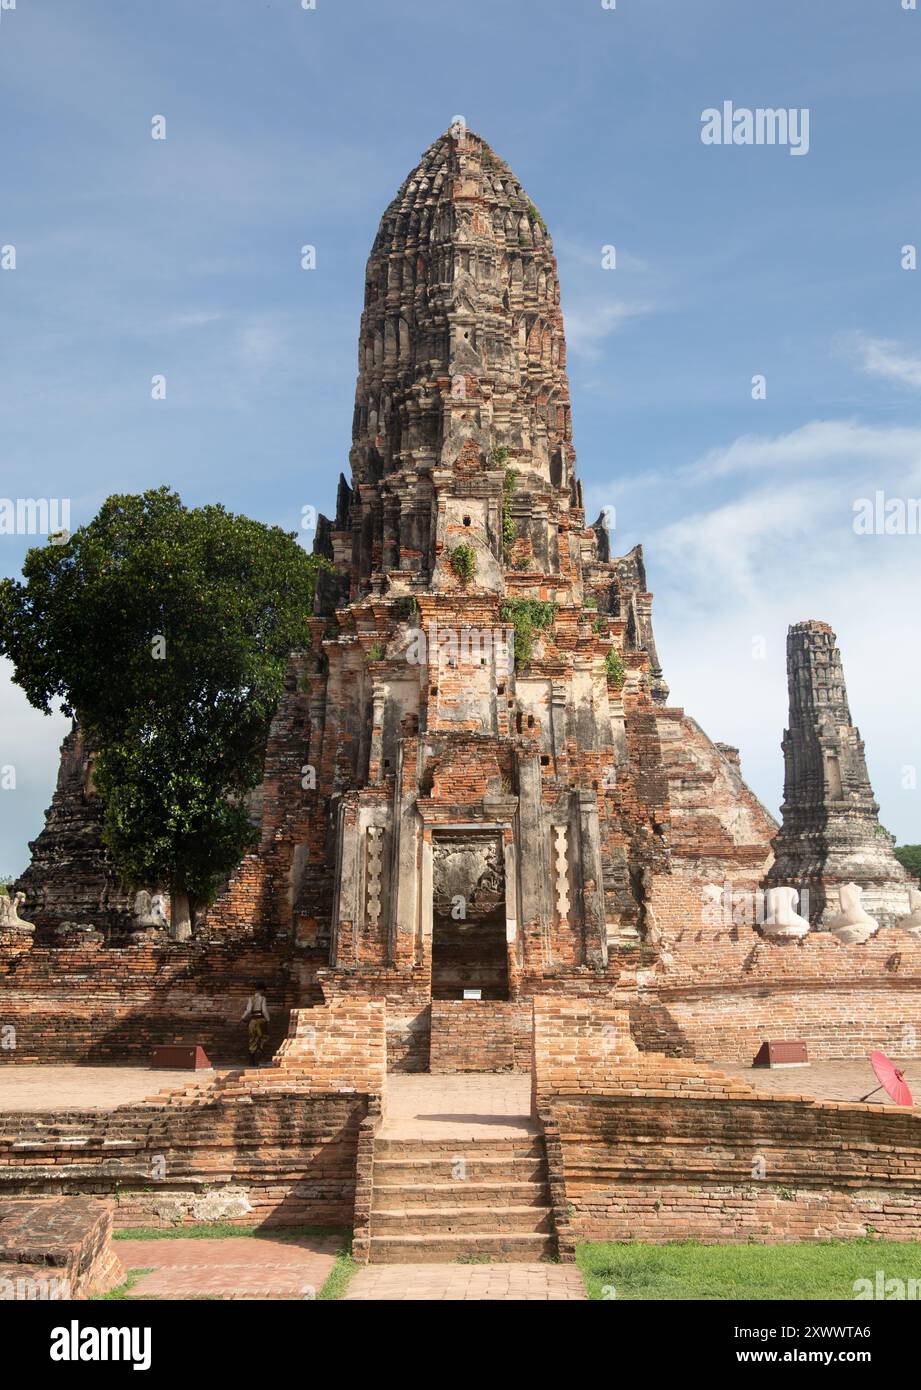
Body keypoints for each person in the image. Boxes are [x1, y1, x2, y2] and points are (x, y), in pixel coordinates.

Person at [241, 982, 271, 1066]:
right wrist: (268, 1019)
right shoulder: (262, 998)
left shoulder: (251, 999)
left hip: (252, 1021)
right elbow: (264, 1010)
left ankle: (252, 1060)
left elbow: (248, 1010)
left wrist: (243, 1018)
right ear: (262, 990)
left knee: (252, 1039)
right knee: (264, 1037)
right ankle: (260, 1049)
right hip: (261, 1020)